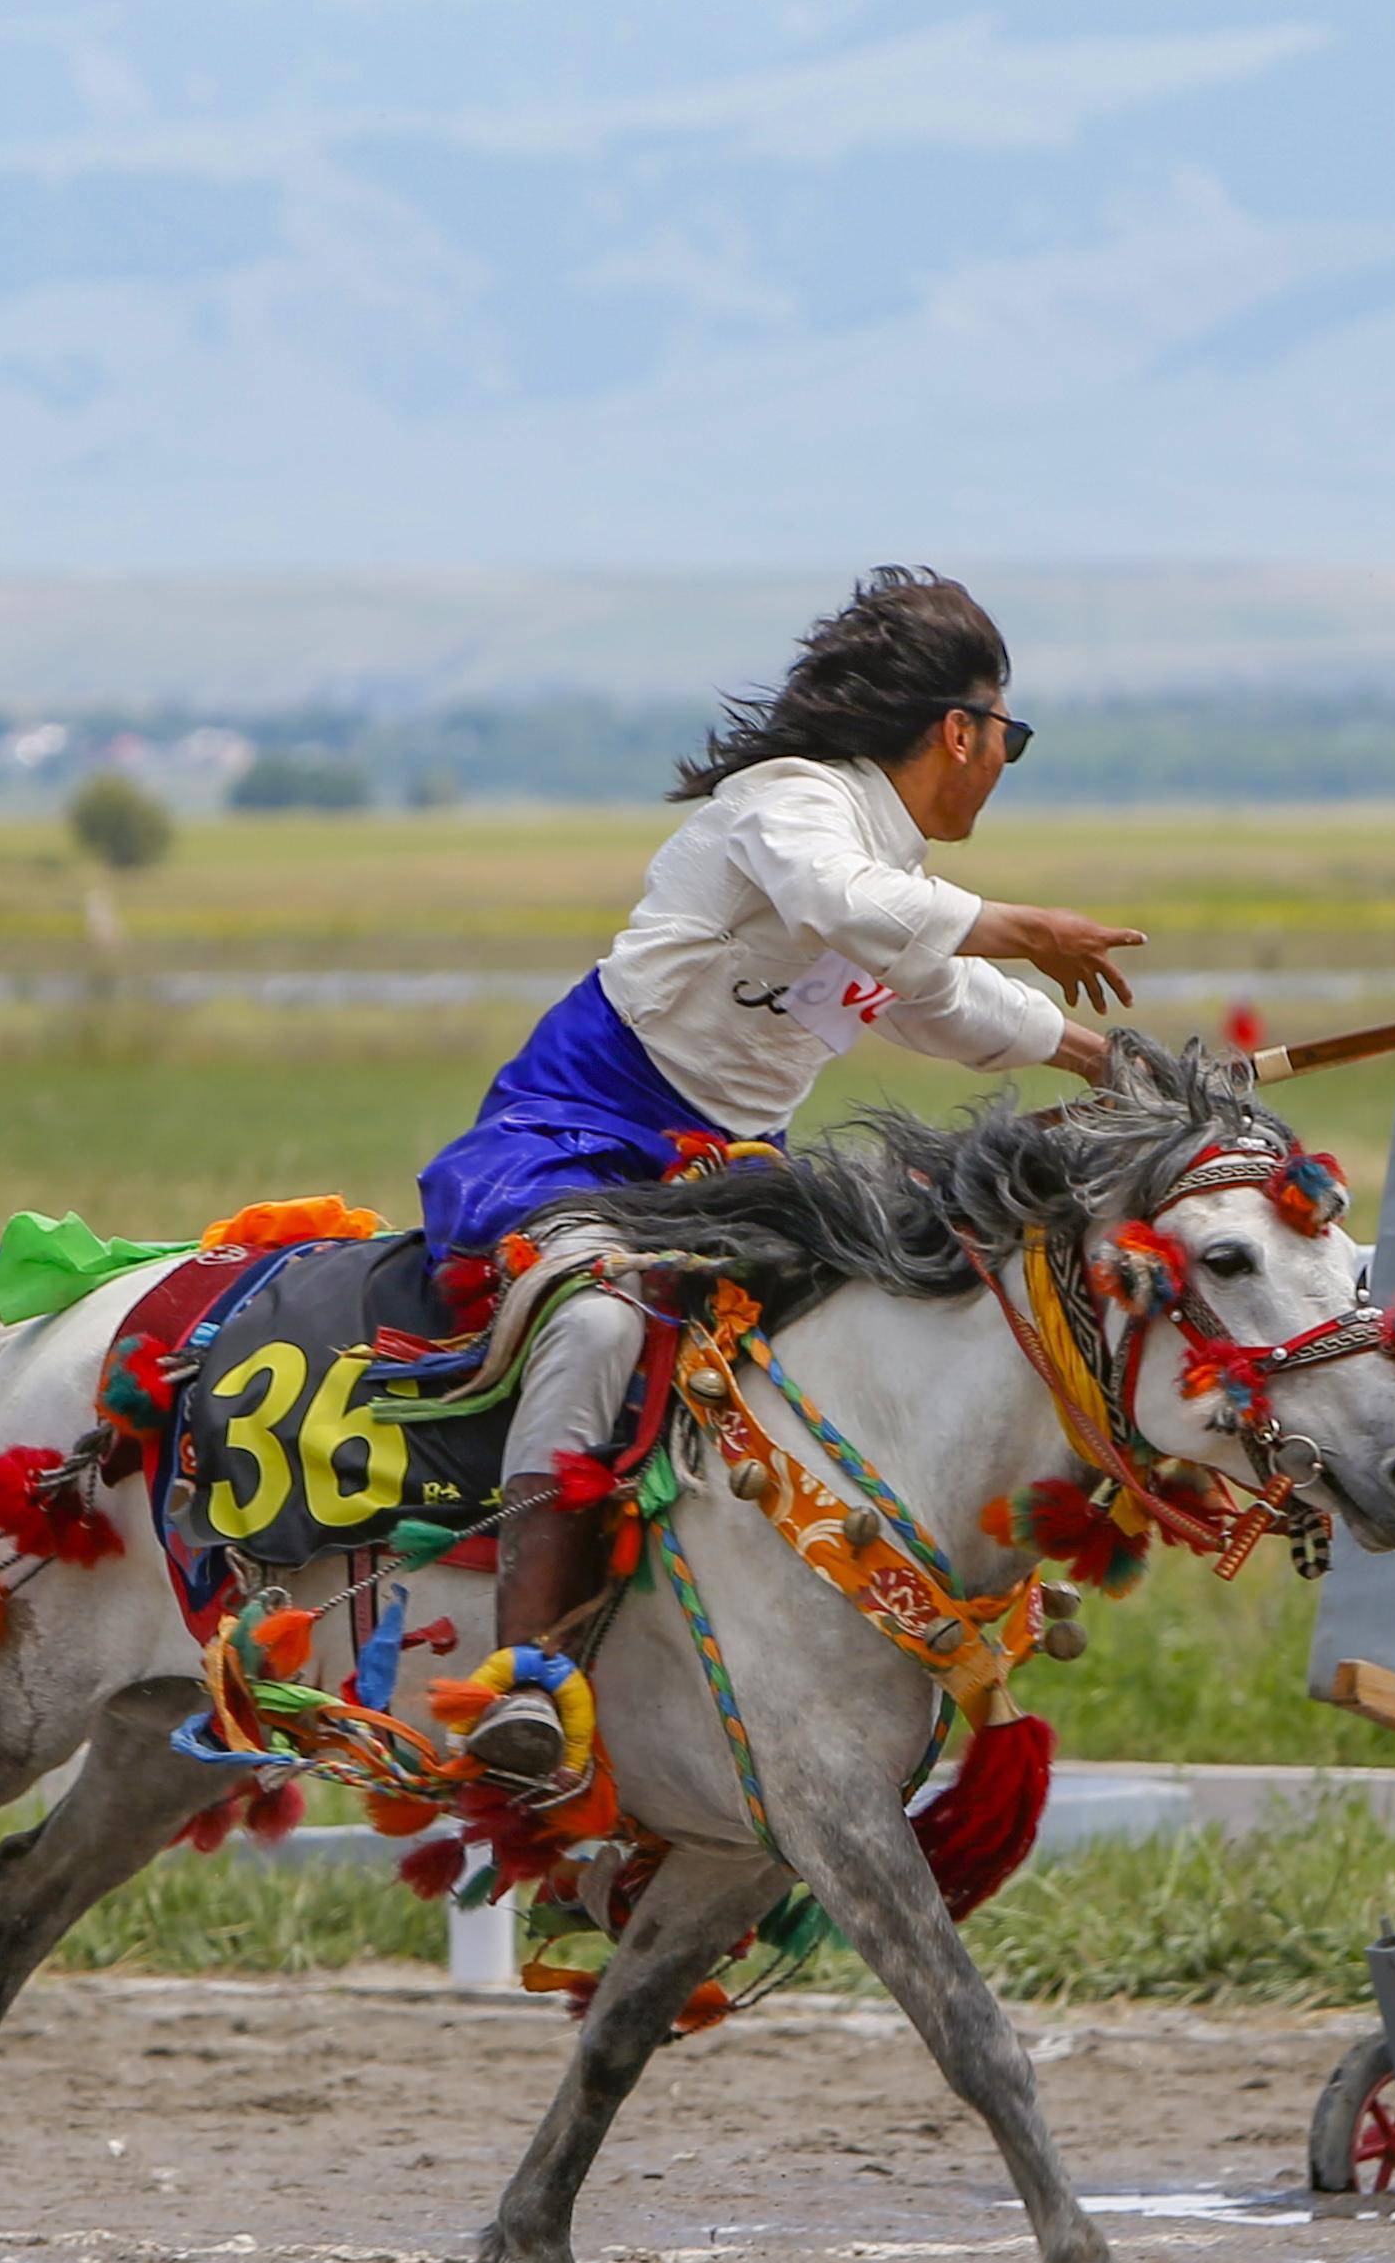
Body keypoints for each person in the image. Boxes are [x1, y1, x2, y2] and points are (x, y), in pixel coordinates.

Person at [416, 567, 1145, 1788]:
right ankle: (526, 1680)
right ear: (960, 731)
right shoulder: (791, 806)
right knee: (598, 1324)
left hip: (729, 1174)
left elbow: (938, 998)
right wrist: (1032, 926)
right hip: (580, 1134)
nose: (1004, 760)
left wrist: (1114, 1062)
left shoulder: (894, 868)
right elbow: (853, 906)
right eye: (1008, 735)